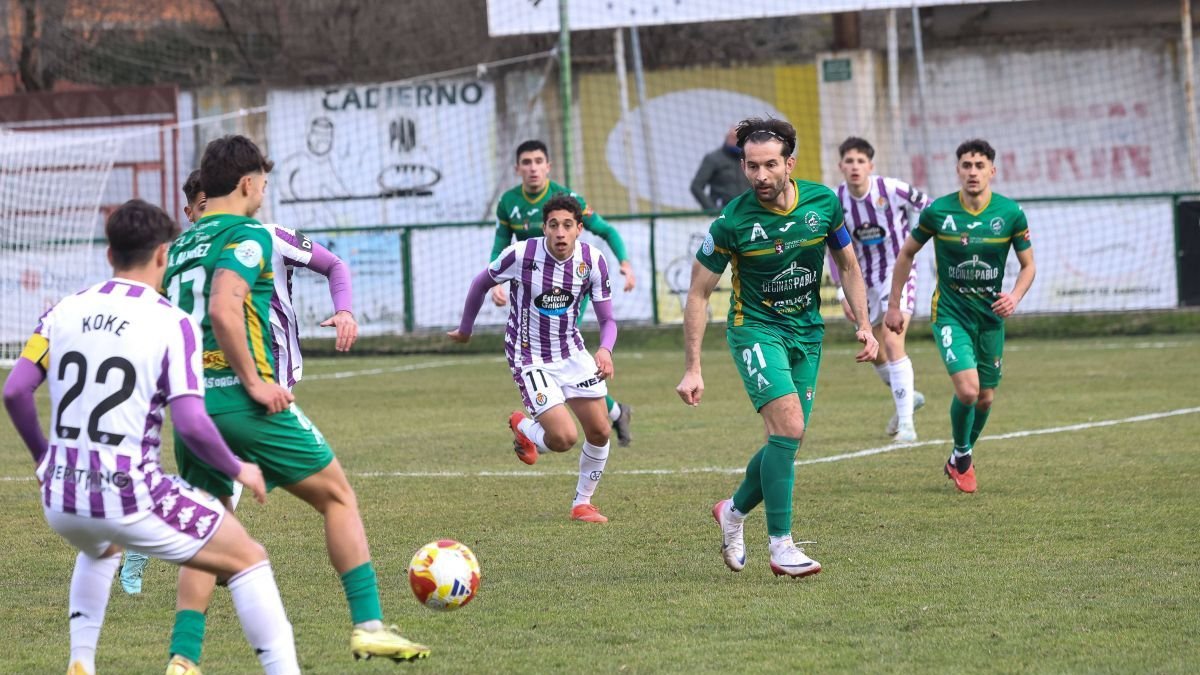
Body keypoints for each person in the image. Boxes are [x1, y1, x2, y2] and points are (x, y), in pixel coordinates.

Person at [161, 135, 428, 672]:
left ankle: (183, 659)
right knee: (338, 497)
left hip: (190, 409)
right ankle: (370, 626)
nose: (264, 189)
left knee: (207, 526)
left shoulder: (180, 248)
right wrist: (255, 382)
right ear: (246, 183)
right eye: (262, 180)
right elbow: (223, 308)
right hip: (244, 402)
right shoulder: (250, 234)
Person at [2, 199, 301, 675]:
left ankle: (81, 662)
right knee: (248, 557)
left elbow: (16, 390)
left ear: (109, 255)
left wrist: (44, 460)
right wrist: (238, 467)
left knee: (101, 546)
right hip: (129, 495)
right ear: (164, 254)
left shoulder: (64, 309)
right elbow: (192, 421)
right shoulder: (171, 321)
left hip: (62, 498)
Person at [118, 169, 358, 595]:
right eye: (195, 211)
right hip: (233, 383)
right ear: (189, 213)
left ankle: (187, 588)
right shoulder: (187, 252)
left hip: (264, 376)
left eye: (205, 206)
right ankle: (161, 543)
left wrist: (345, 309)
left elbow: (334, 265)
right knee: (249, 490)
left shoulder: (268, 236)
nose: (200, 218)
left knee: (220, 488)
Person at [675, 117, 878, 578]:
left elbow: (848, 265)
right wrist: (693, 367)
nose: (760, 176)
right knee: (787, 425)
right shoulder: (731, 222)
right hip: (755, 329)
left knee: (788, 437)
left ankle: (732, 510)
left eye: (769, 165)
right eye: (751, 167)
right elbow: (698, 294)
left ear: (791, 162)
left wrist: (864, 323)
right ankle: (782, 545)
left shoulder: (823, 204)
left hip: (807, 332)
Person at [455, 194, 618, 523]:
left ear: (579, 230)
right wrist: (464, 329)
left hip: (572, 352)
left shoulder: (593, 261)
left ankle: (581, 504)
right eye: (553, 225)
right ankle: (525, 427)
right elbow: (479, 283)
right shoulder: (521, 254)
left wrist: (605, 349)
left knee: (600, 430)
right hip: (530, 356)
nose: (560, 232)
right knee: (564, 439)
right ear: (544, 228)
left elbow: (608, 320)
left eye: (567, 225)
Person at [884, 138, 1036, 494]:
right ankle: (964, 454)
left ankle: (957, 456)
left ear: (992, 171)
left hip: (989, 319)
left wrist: (1014, 297)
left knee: (986, 397)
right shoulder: (939, 212)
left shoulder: (1010, 214)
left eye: (979, 166)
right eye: (966, 165)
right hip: (951, 314)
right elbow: (906, 254)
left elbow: (1029, 266)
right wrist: (894, 305)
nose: (972, 172)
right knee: (968, 391)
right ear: (957, 170)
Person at [491, 139, 635, 447]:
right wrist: (497, 283)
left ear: (548, 166)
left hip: (567, 291)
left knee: (567, 356)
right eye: (526, 162)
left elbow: (607, 231)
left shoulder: (568, 200)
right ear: (518, 168)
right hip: (532, 291)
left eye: (538, 161)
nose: (532, 168)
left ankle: (554, 427)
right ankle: (616, 412)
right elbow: (500, 244)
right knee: (563, 364)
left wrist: (624, 262)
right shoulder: (508, 202)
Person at [827, 136, 931, 442]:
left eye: (861, 161)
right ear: (841, 166)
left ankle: (907, 425)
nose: (855, 166)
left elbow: (932, 209)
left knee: (891, 336)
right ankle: (908, 397)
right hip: (862, 280)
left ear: (870, 165)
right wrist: (842, 292)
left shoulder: (892, 189)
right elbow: (830, 248)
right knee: (873, 348)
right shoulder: (836, 200)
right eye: (849, 161)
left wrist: (917, 241)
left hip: (897, 276)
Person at [690, 127, 751, 214]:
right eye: (734, 138)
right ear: (727, 137)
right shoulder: (713, 158)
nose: (737, 141)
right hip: (723, 214)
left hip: (747, 213)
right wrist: (711, 210)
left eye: (740, 139)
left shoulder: (749, 159)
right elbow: (696, 186)